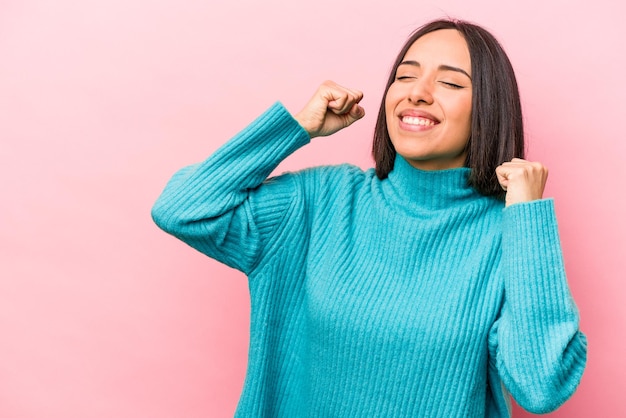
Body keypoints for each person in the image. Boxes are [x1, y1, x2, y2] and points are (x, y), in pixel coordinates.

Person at [152, 18, 587, 417]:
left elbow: (541, 386)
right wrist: (295, 128)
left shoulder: (509, 235)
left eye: (451, 83)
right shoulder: (322, 200)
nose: (416, 91)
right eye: (405, 75)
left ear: (488, 109)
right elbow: (182, 209)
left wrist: (528, 218)